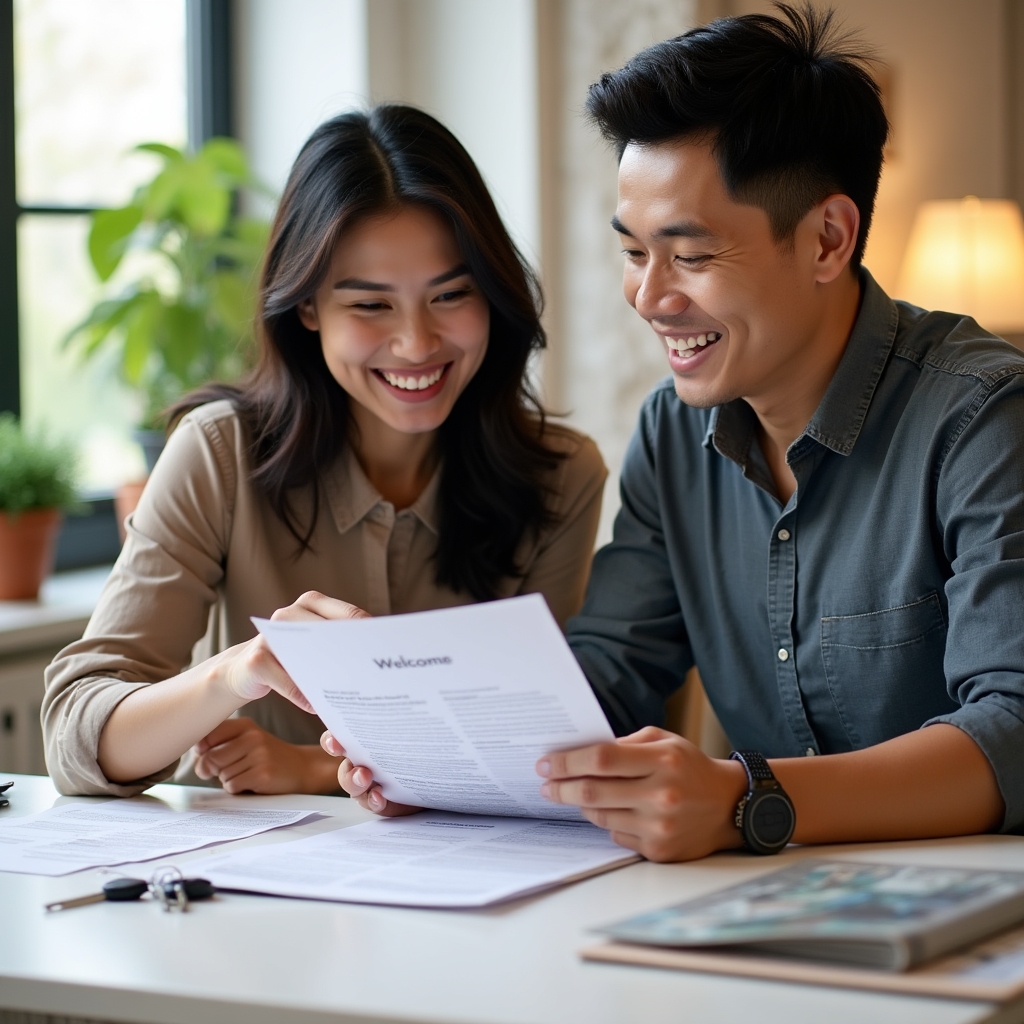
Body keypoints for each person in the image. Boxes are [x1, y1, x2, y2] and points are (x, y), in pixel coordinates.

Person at [331, 5, 1024, 857]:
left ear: (826, 240)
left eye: (689, 256)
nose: (650, 297)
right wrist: (439, 757)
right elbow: (613, 674)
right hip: (755, 909)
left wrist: (748, 799)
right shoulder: (673, 429)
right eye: (633, 252)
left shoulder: (984, 418)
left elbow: (1015, 730)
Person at [42, 105, 606, 798]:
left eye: (452, 295)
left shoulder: (560, 477)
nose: (417, 344)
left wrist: (311, 767)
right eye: (371, 306)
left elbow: (536, 750)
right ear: (308, 307)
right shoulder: (219, 455)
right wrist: (234, 673)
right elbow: (74, 734)